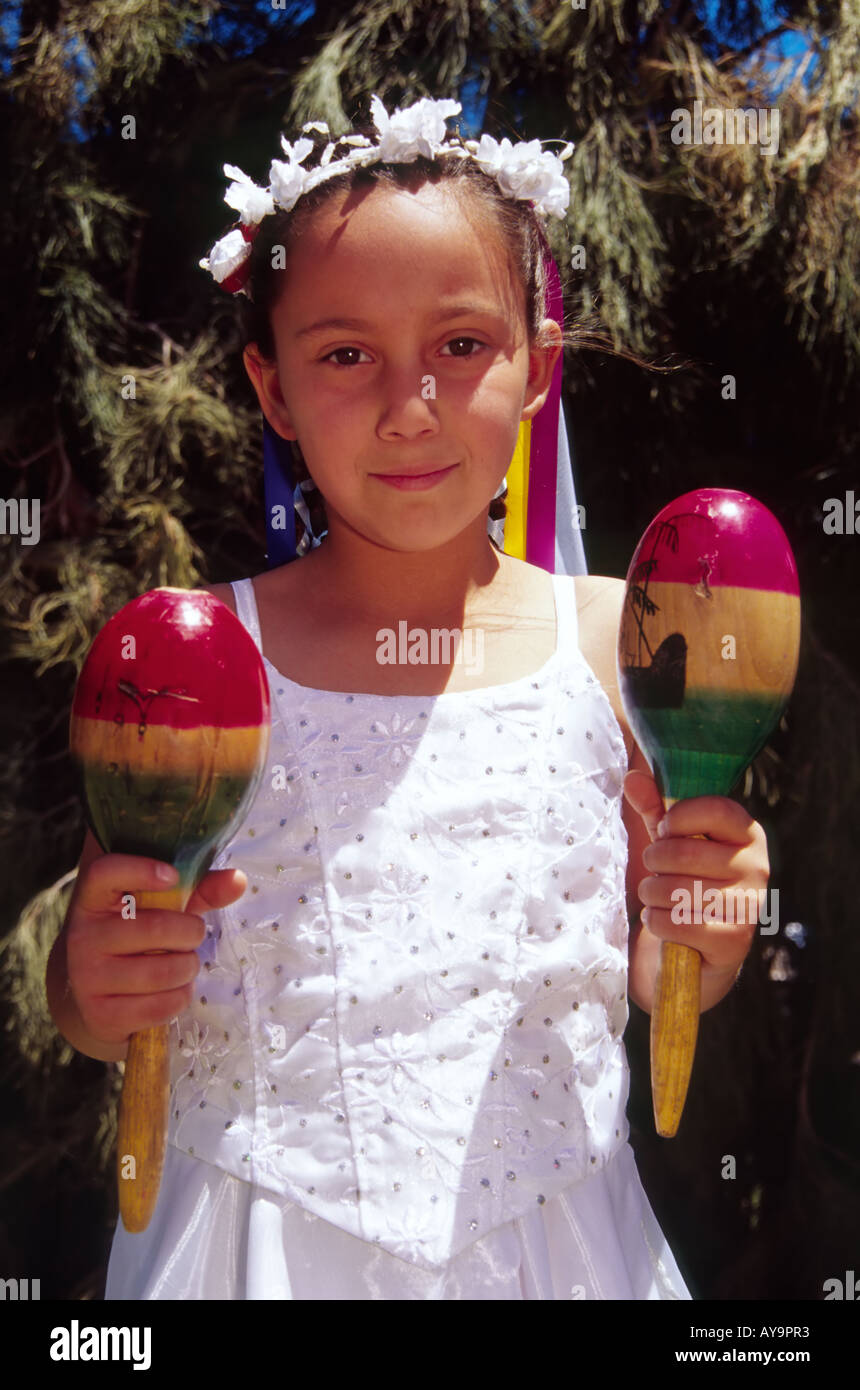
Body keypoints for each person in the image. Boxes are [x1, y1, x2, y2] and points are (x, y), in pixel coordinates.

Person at [46, 95, 769, 1300]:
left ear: (535, 362)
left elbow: (658, 970)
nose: (408, 403)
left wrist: (709, 922)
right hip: (249, 1248)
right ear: (272, 391)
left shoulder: (621, 643)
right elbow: (100, 986)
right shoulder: (197, 650)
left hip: (557, 1246)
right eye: (344, 354)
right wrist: (96, 974)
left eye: (459, 344)